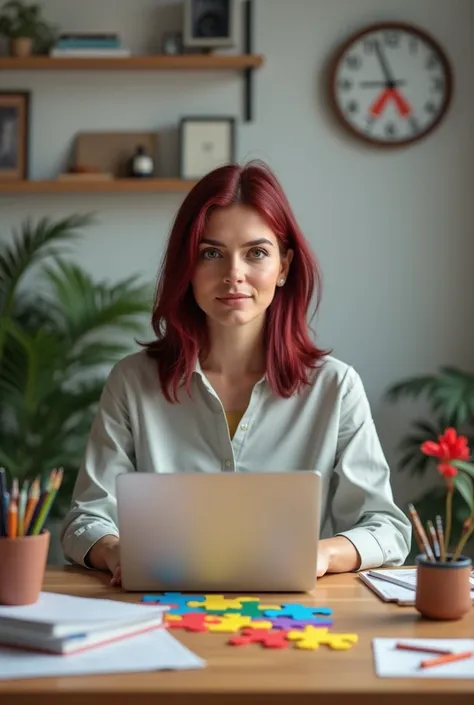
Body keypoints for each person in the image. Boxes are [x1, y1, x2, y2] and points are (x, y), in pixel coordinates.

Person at [60, 160, 411, 586]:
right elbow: (85, 520)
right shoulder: (132, 382)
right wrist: (116, 552)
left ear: (283, 267)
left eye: (256, 253)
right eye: (211, 253)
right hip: (157, 609)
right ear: (187, 267)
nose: (234, 275)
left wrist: (320, 555)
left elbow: (387, 529)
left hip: (291, 621)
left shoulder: (335, 387)